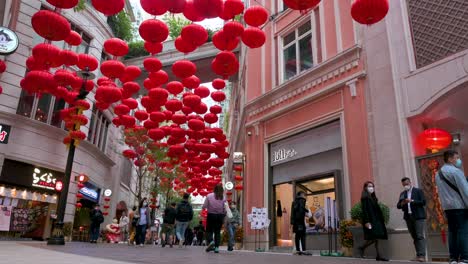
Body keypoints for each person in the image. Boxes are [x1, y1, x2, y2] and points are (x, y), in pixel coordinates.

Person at [436, 150, 468, 264]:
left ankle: (453, 258)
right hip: (459, 206)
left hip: (447, 207)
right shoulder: (456, 171)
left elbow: (440, 193)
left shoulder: (438, 174)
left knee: (452, 232)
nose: (458, 160)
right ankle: (465, 258)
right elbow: (465, 191)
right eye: (456, 157)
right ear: (450, 159)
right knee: (463, 231)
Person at [397, 177, 427, 262]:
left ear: (410, 182)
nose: (406, 186)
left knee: (419, 235)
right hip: (408, 217)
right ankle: (418, 255)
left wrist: (412, 201)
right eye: (404, 185)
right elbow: (398, 206)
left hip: (418, 216)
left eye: (407, 184)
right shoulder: (402, 194)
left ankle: (422, 256)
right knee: (414, 237)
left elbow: (423, 202)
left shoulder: (418, 191)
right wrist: (402, 203)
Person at [359, 181, 389, 261]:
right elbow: (365, 210)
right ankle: (362, 247)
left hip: (377, 220)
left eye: (372, 186)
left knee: (377, 237)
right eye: (369, 186)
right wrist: (367, 221)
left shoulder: (373, 198)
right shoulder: (364, 198)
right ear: (365, 188)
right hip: (371, 220)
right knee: (374, 237)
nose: (371, 188)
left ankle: (378, 255)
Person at [203, 184, 226, 253]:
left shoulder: (209, 196)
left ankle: (211, 241)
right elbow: (225, 209)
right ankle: (216, 248)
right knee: (217, 232)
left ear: (214, 189)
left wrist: (204, 207)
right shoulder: (223, 198)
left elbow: (204, 206)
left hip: (211, 215)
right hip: (220, 216)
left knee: (209, 230)